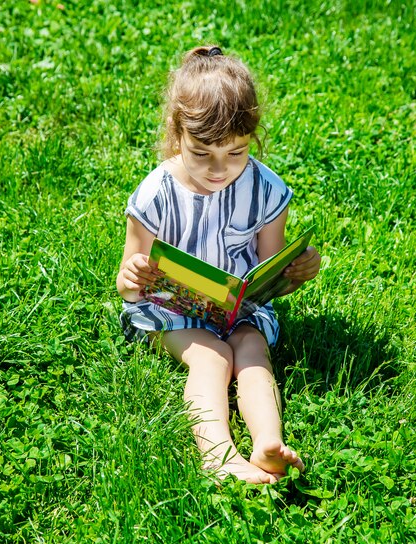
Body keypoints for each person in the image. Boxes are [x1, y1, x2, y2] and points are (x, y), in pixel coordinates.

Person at [116, 46, 321, 484]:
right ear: (178, 135)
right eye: (202, 152)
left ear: (252, 137)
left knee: (250, 350)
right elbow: (128, 286)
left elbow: (270, 270)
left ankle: (268, 442)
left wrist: (294, 273)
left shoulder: (266, 190)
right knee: (212, 358)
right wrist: (133, 274)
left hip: (238, 309)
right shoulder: (156, 193)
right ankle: (219, 455)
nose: (219, 169)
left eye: (236, 153)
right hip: (171, 313)